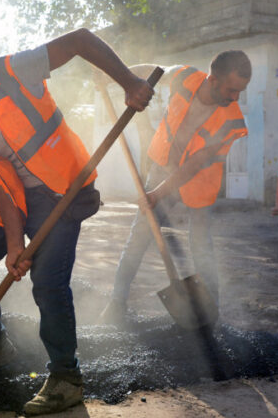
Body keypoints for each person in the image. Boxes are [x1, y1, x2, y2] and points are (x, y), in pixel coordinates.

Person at [0, 29, 153, 416]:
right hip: (17, 197)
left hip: (61, 190)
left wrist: (130, 82)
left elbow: (81, 41)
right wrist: (14, 241)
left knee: (48, 281)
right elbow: (1, 187)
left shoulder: (10, 72)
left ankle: (67, 379)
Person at [98, 51, 252, 325]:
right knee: (140, 236)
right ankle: (116, 303)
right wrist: (120, 77)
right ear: (213, 80)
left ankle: (209, 312)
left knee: (201, 246)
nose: (236, 97)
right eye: (232, 89)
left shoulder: (231, 120)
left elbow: (195, 164)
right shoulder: (184, 77)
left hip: (200, 181)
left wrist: (157, 194)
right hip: (161, 167)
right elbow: (151, 70)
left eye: (241, 91)